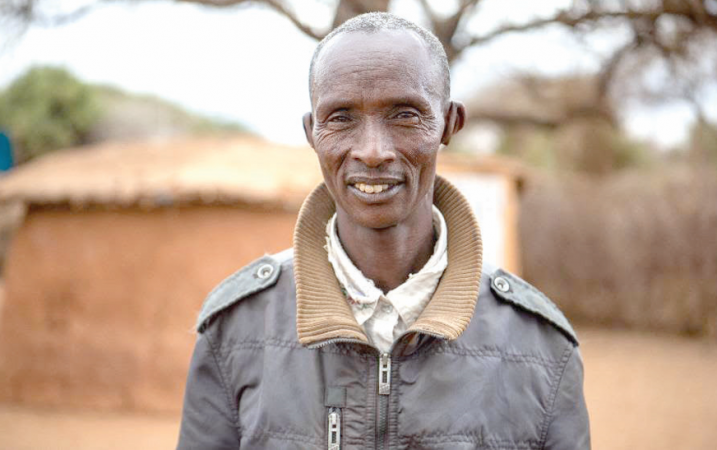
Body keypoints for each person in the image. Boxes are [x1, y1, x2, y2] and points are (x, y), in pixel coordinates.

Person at [177, 12, 590, 450]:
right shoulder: (235, 330)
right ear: (312, 132)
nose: (373, 151)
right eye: (340, 117)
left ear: (449, 124)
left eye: (405, 115)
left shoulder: (541, 347)